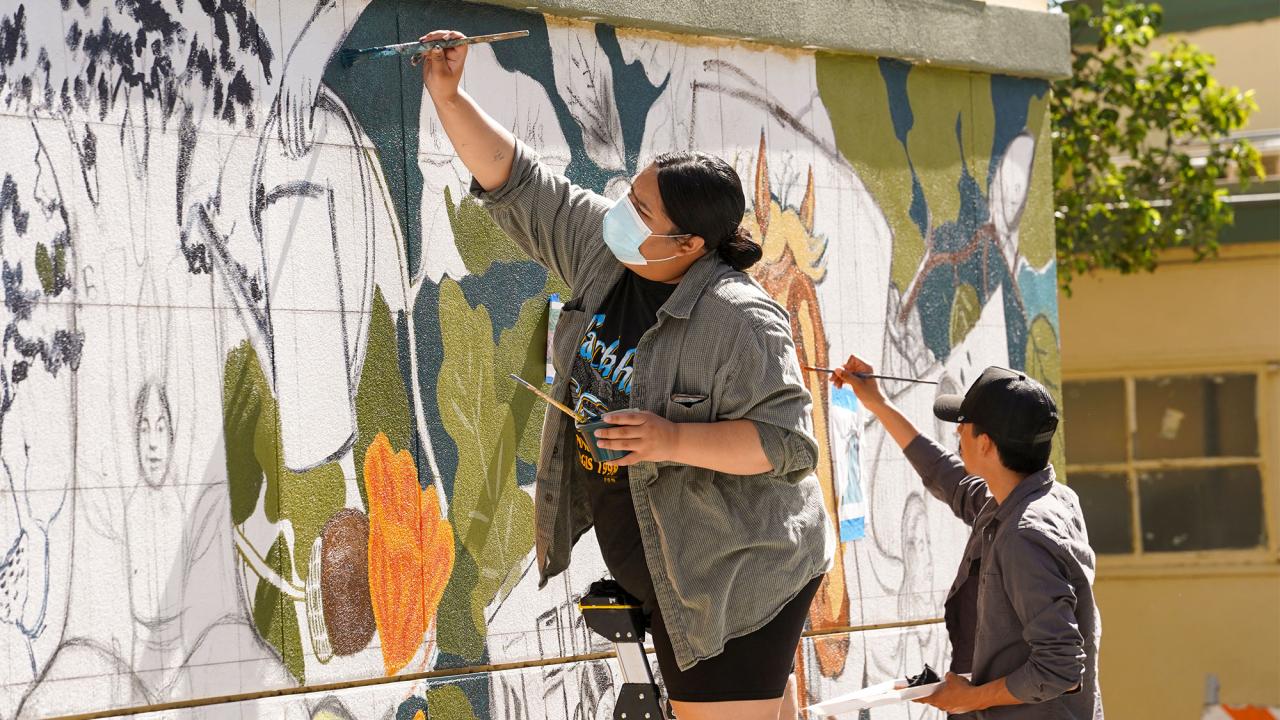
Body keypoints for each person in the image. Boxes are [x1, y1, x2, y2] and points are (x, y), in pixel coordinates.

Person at [417, 29, 834, 720]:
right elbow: (517, 181)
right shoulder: (606, 253)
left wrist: (670, 440)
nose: (620, 213)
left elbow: (787, 444)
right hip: (666, 567)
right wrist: (449, 96)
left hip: (733, 575)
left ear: (689, 244)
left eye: (641, 211)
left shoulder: (740, 319)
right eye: (629, 196)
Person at [829, 355, 1102, 719]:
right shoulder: (1040, 498)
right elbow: (947, 475)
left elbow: (1061, 669)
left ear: (986, 444)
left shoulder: (1024, 536)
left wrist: (971, 699)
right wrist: (878, 403)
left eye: (963, 425)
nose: (957, 433)